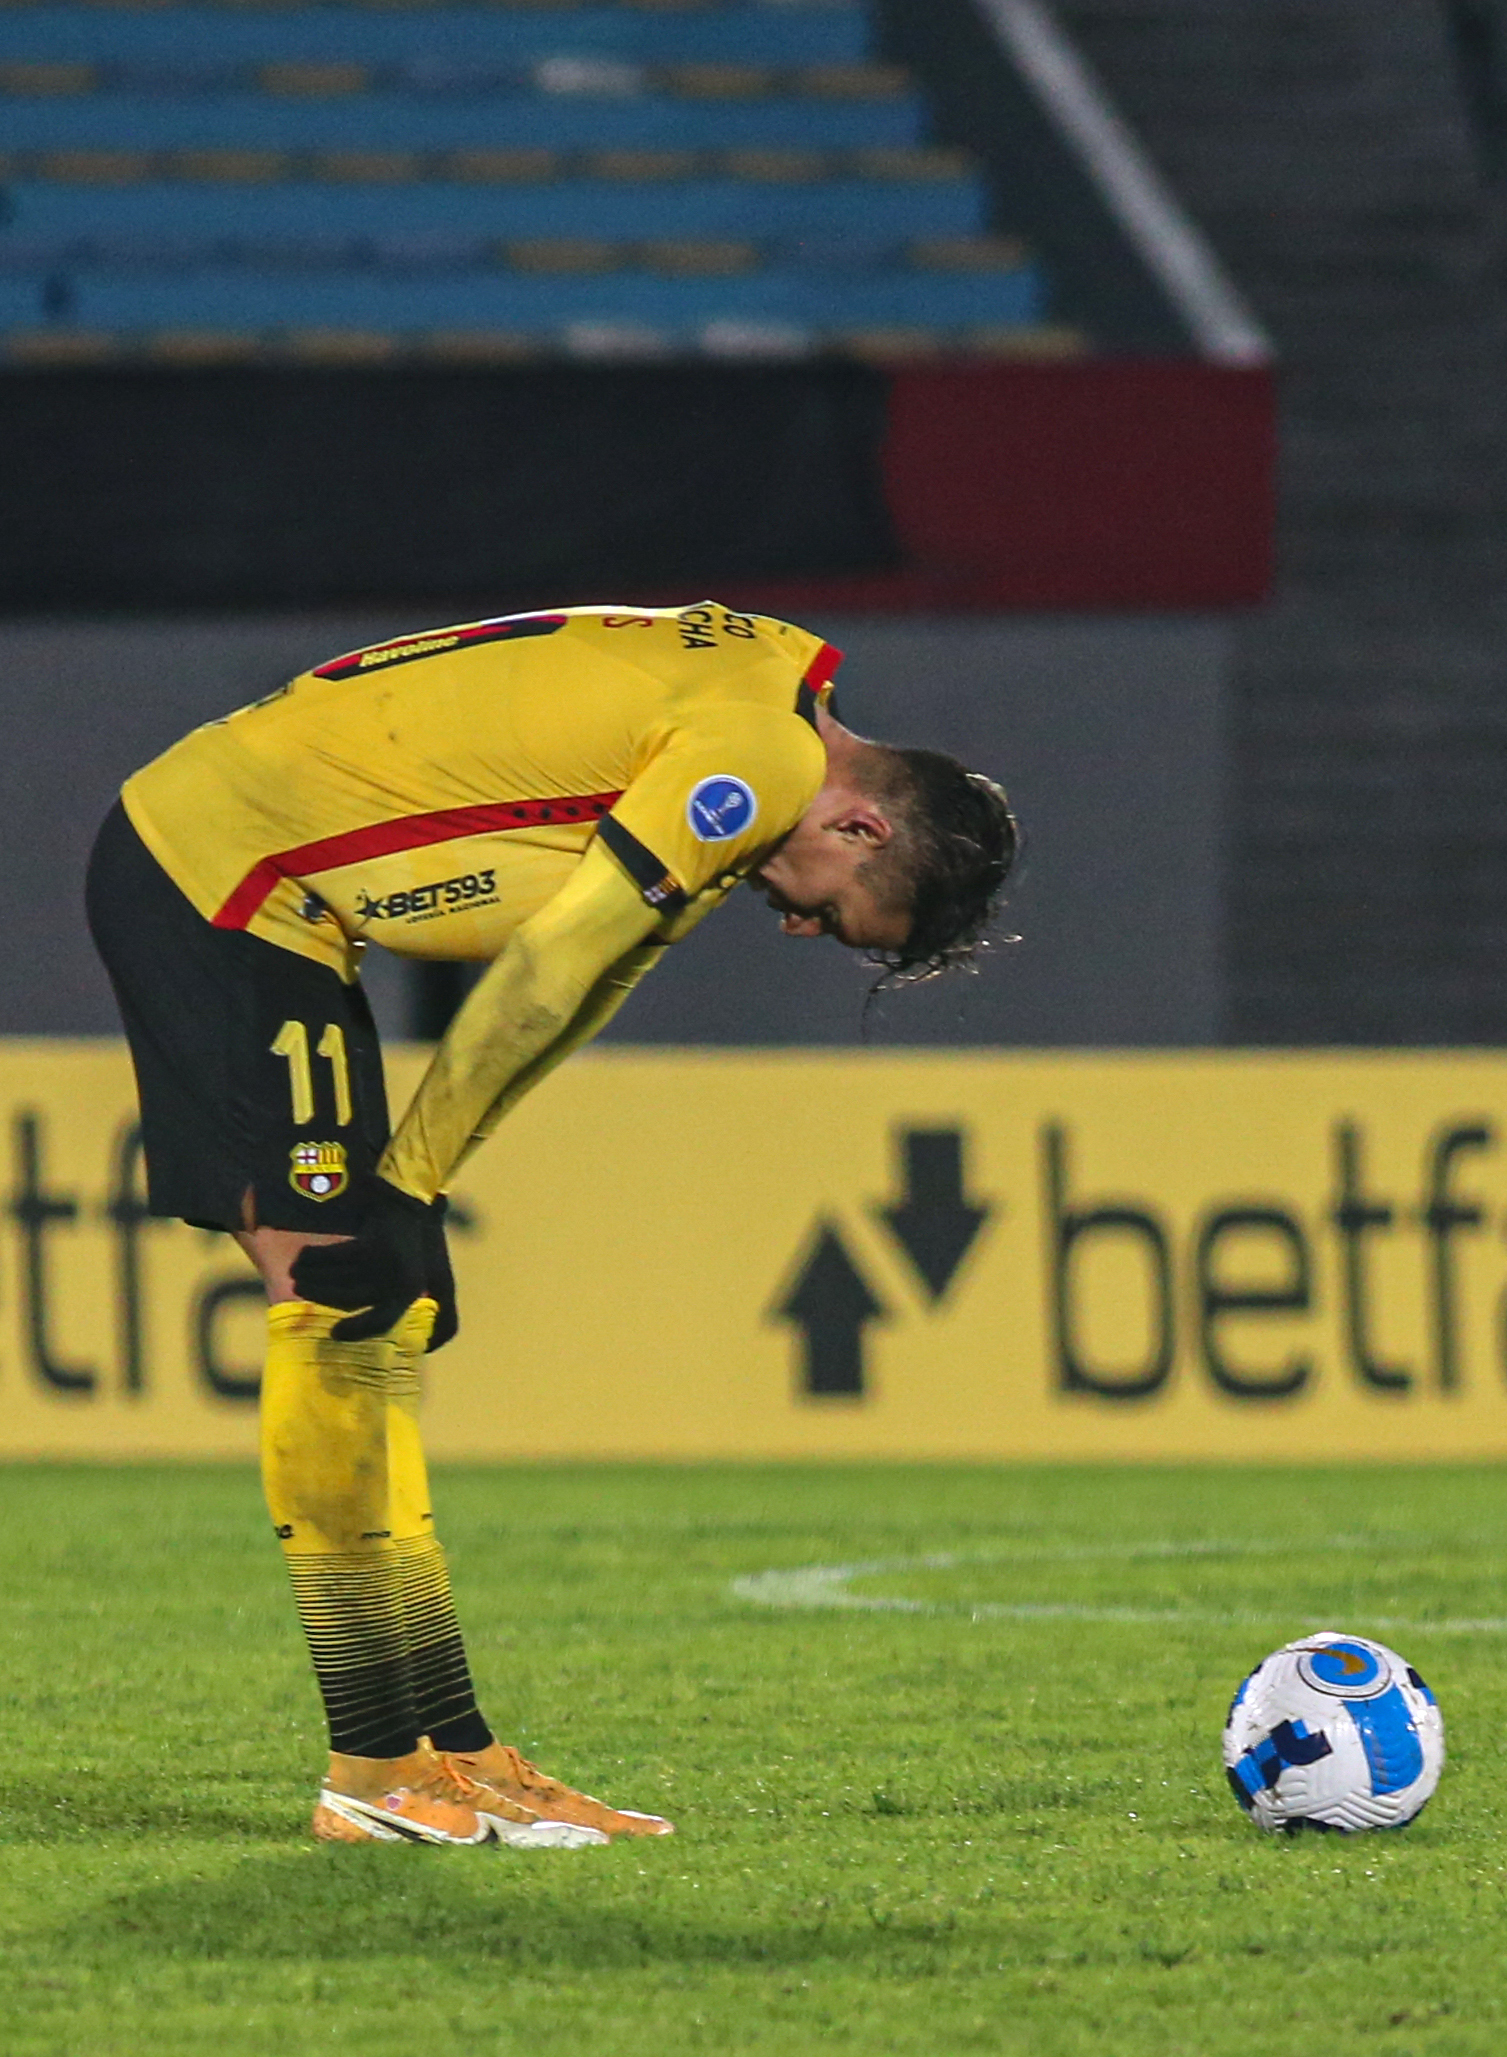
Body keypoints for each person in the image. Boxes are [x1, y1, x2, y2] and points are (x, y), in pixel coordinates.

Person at [86, 604, 1018, 1845]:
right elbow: (549, 965)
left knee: (380, 1310)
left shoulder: (757, 715)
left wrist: (427, 1181)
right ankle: (372, 1774)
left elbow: (598, 977)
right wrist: (407, 1185)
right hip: (211, 878)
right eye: (838, 912)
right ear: (862, 824)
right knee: (341, 1297)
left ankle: (453, 1754)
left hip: (280, 901)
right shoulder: (760, 761)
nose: (801, 928)